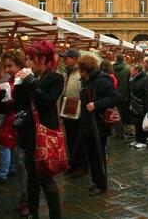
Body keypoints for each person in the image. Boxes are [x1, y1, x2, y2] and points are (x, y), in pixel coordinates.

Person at [14, 40, 64, 219]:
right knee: (31, 178)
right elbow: (19, 103)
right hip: (29, 134)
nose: (26, 62)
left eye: (30, 58)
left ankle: (55, 215)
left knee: (45, 178)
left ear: (42, 58)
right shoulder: (32, 78)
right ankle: (33, 212)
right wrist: (19, 83)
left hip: (44, 134)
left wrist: (30, 81)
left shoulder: (55, 78)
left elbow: (46, 101)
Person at [0, 50, 29, 216]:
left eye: (10, 66)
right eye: (5, 66)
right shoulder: (7, 83)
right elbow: (4, 109)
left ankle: (28, 197)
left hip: (24, 125)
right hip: (12, 124)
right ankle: (24, 195)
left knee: (23, 162)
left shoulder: (27, 79)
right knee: (19, 161)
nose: (7, 69)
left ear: (19, 64)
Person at [78, 55, 120, 196]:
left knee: (98, 155)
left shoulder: (101, 81)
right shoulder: (87, 81)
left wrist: (96, 105)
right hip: (88, 124)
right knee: (91, 155)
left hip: (98, 126)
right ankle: (96, 181)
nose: (79, 72)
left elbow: (115, 96)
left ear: (85, 70)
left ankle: (101, 185)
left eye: (80, 70)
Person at [58, 49, 88, 179]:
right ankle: (74, 164)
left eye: (66, 58)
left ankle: (82, 166)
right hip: (68, 112)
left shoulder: (80, 73)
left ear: (75, 59)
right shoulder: (67, 73)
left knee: (79, 140)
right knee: (70, 140)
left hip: (78, 113)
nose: (64, 60)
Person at [128, 63, 148, 149]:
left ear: (137, 70)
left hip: (141, 106)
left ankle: (142, 141)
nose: (130, 71)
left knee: (141, 123)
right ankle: (137, 139)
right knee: (136, 123)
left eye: (132, 69)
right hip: (135, 105)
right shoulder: (133, 78)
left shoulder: (144, 79)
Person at [113, 53, 132, 138]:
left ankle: (118, 131)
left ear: (116, 59)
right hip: (125, 95)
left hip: (115, 94)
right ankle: (124, 130)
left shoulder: (112, 69)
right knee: (125, 112)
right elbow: (130, 82)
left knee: (117, 112)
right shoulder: (127, 69)